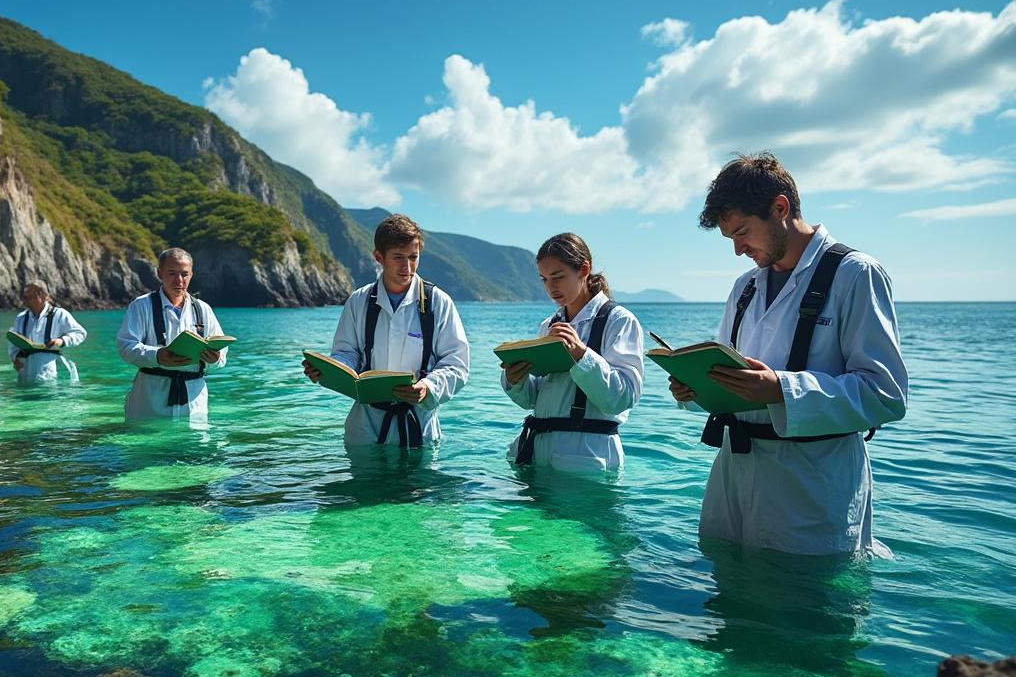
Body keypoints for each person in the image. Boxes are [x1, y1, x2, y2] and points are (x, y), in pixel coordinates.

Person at [669, 152, 908, 555]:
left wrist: (781, 389)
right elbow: (731, 381)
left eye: (742, 232)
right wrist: (695, 390)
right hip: (734, 475)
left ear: (780, 208)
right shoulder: (744, 287)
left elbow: (886, 395)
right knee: (729, 604)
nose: (738, 249)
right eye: (730, 238)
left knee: (806, 607)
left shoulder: (855, 274)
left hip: (811, 484)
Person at [302, 214, 469, 448]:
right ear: (378, 257)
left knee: (420, 486)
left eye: (413, 257)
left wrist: (428, 388)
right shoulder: (358, 301)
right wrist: (328, 370)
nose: (407, 267)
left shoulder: (438, 302)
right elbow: (347, 353)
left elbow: (457, 364)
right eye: (398, 257)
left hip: (419, 429)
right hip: (365, 430)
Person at [501, 233, 643, 472]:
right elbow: (533, 400)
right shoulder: (549, 324)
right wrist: (516, 380)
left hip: (587, 453)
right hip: (537, 451)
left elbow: (623, 398)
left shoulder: (619, 321)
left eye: (558, 277)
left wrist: (581, 354)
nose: (551, 287)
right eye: (544, 279)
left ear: (584, 269)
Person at [116, 247, 227, 425]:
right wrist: (157, 356)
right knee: (146, 449)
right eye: (172, 273)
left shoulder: (203, 309)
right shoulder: (141, 306)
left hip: (194, 405)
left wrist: (214, 359)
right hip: (150, 403)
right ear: (160, 274)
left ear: (191, 274)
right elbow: (125, 347)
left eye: (184, 274)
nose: (179, 280)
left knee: (194, 450)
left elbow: (222, 358)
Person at [9, 279, 87, 385]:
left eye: (27, 298)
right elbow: (13, 344)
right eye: (24, 298)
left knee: (53, 400)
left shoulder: (60, 315)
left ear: (40, 295)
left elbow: (80, 333)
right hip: (27, 375)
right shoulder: (21, 318)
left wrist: (62, 341)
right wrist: (15, 358)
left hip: (54, 375)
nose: (24, 301)